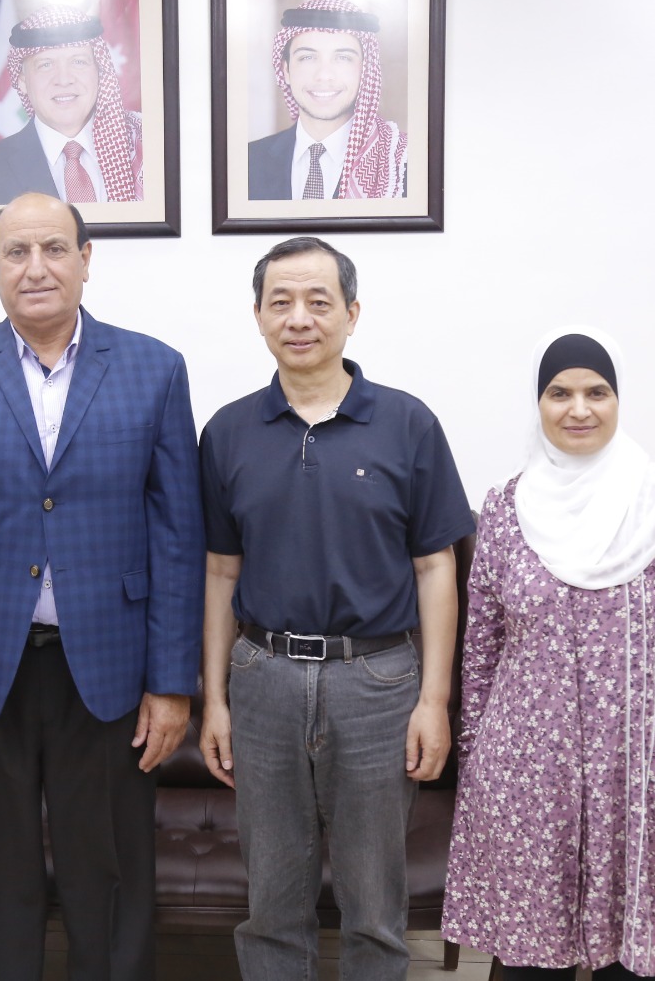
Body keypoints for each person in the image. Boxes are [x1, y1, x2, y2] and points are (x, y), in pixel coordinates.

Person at [0, 191, 203, 980]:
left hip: (109, 665)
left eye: (55, 248)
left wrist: (173, 684)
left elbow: (178, 541)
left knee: (110, 869)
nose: (36, 268)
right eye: (17, 252)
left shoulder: (154, 369)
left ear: (86, 259)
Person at [199, 236, 474, 980]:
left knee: (374, 906)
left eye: (319, 302)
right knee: (272, 901)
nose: (300, 318)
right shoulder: (227, 432)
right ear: (258, 315)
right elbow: (220, 572)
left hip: (378, 682)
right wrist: (215, 700)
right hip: (263, 678)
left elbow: (436, 568)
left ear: (352, 314)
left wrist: (434, 701)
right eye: (281, 302)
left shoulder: (408, 424)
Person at [441, 328, 655, 980]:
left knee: (635, 966)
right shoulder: (505, 509)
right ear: (538, 403)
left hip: (642, 782)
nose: (578, 409)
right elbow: (481, 653)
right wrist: (477, 778)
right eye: (559, 393)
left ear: (618, 399)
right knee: (528, 967)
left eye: (596, 392)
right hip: (527, 784)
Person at [247, 0, 408, 201]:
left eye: (343, 58)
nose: (324, 75)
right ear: (285, 70)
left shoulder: (403, 163)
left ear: (365, 71)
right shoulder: (247, 161)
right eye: (307, 57)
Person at [0, 5, 144, 205]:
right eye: (46, 65)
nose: (63, 80)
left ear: (100, 72)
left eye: (78, 62)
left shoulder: (145, 146)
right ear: (22, 82)